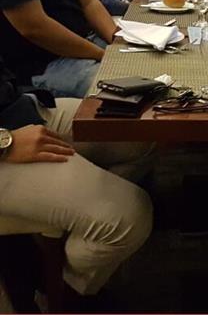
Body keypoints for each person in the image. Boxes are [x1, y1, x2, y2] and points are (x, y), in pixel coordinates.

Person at [0, 54, 153, 303]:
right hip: (5, 144)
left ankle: (68, 240)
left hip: (14, 108)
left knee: (140, 132)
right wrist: (6, 142)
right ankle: (63, 289)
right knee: (127, 215)